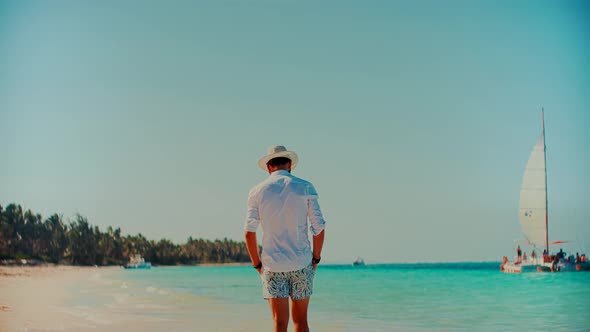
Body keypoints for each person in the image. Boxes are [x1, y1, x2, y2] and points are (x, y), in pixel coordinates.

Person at [244, 145, 326, 332]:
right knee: (301, 322)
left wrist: (257, 264)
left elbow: (249, 232)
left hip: (272, 265)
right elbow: (319, 228)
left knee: (279, 324)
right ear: (289, 164)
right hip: (301, 262)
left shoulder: (257, 191)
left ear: (268, 167)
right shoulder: (305, 187)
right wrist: (316, 259)